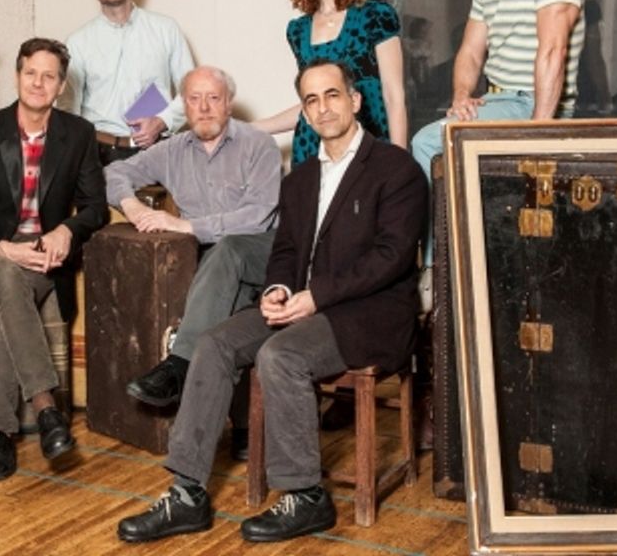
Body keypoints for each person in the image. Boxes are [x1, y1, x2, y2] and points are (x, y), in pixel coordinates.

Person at [116, 59, 427, 544]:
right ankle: (187, 493)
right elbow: (284, 250)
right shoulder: (301, 178)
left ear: (355, 101)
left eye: (331, 95)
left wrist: (313, 296)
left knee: (280, 354)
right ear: (302, 114)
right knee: (215, 344)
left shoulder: (395, 169)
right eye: (311, 100)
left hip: (371, 314)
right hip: (305, 304)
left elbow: (390, 258)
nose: (322, 108)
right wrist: (280, 289)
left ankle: (306, 495)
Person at [409, 0, 586, 269]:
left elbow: (552, 50)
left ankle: (435, 272)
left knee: (426, 142)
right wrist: (460, 99)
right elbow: (471, 52)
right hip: (499, 100)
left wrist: (538, 136)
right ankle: (450, 266)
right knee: (437, 138)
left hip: (533, 104)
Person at [0, 38, 107, 481]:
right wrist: (2, 245)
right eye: (30, 72)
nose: (38, 82)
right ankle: (45, 407)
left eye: (49, 76)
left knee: (7, 301)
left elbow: (95, 206)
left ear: (60, 87)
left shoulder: (77, 134)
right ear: (17, 75)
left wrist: (64, 231)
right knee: (2, 273)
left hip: (40, 260)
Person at [107, 67, 281, 438]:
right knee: (227, 315)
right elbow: (116, 171)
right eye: (194, 99)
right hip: (211, 266)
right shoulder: (171, 150)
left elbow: (258, 215)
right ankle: (244, 428)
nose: (204, 108)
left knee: (229, 248)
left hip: (263, 253)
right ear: (183, 106)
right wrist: (133, 207)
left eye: (213, 98)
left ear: (229, 104)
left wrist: (188, 226)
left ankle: (180, 364)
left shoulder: (258, 144)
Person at [254, 0, 407, 162]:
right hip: (312, 148)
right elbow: (314, 104)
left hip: (370, 145)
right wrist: (254, 128)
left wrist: (400, 161)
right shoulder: (298, 31)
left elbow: (393, 95)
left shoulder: (376, 16)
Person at [64, 0, 195, 164]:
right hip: (98, 152)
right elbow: (68, 111)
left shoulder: (166, 29)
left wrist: (162, 121)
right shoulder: (78, 42)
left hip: (157, 149)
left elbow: (192, 91)